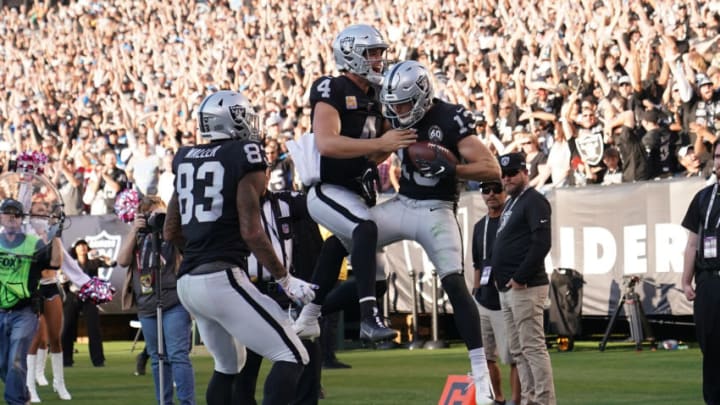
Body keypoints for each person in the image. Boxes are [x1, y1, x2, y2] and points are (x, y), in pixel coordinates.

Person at [163, 90, 316, 405]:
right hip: (221, 278)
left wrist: (199, 251)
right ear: (233, 120)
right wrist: (285, 278)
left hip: (188, 283)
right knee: (293, 355)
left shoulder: (185, 158)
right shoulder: (244, 154)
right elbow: (251, 232)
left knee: (229, 365)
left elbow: (170, 231)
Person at [370, 60, 501, 405]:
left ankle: (481, 374)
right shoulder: (395, 121)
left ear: (422, 97)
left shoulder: (449, 118)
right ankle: (313, 311)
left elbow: (492, 168)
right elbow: (374, 153)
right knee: (352, 235)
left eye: (403, 104)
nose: (397, 112)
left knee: (455, 282)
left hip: (436, 210)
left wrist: (455, 169)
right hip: (402, 202)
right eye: (393, 105)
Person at [292, 24, 417, 343]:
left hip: (359, 188)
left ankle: (307, 315)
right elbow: (328, 144)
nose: (378, 59)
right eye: (372, 53)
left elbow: (384, 146)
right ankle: (368, 317)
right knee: (363, 228)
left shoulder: (378, 94)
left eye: (379, 52)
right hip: (326, 188)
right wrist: (380, 145)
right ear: (351, 55)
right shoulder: (331, 88)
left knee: (341, 243)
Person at [234, 185, 325, 404]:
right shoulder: (231, 206)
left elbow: (320, 207)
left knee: (305, 357)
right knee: (243, 367)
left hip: (287, 293)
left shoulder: (286, 202)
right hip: (250, 292)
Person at [491, 152, 556, 405]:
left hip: (526, 286)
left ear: (525, 173)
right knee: (518, 351)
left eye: (512, 173)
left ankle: (544, 401)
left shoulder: (534, 200)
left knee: (532, 347)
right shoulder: (511, 202)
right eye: (503, 175)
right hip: (508, 288)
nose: (507, 179)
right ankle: (530, 399)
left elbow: (542, 242)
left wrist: (520, 276)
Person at [118, 195, 196, 405]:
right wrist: (135, 230)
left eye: (159, 213)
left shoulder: (173, 235)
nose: (155, 218)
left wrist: (170, 224)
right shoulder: (139, 236)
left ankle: (187, 402)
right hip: (147, 304)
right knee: (156, 358)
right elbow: (123, 260)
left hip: (173, 300)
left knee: (178, 354)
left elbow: (189, 250)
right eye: (149, 213)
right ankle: (164, 402)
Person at [0, 198, 61, 405]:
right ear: (0, 216)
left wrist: (56, 237)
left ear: (21, 218)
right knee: (3, 364)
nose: (11, 217)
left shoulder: (33, 243)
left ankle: (15, 401)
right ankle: (23, 395)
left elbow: (54, 263)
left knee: (16, 359)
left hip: (24, 311)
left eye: (16, 214)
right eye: (7, 213)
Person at [472, 181, 521, 405]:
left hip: (505, 299)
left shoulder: (511, 221)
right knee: (484, 357)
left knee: (513, 357)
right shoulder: (479, 226)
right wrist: (475, 291)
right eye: (485, 190)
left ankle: (517, 400)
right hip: (483, 300)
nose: (491, 195)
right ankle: (497, 399)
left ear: (504, 192)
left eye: (496, 190)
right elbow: (477, 264)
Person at [681, 140, 720, 405]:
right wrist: (685, 279)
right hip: (708, 281)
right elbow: (693, 242)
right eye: (718, 156)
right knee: (710, 347)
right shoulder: (704, 197)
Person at [25, 202, 71, 402]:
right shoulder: (25, 235)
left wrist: (56, 235)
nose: (42, 215)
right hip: (33, 288)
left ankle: (59, 383)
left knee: (55, 338)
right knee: (35, 340)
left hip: (51, 286)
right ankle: (29, 385)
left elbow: (58, 263)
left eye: (44, 211)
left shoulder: (52, 235)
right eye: (38, 211)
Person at [61, 239, 107, 367]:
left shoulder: (93, 262)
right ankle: (66, 359)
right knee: (68, 327)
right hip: (73, 294)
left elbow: (111, 263)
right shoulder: (71, 263)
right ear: (75, 249)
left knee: (94, 328)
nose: (82, 248)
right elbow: (63, 279)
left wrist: (102, 257)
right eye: (79, 245)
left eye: (84, 245)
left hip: (89, 296)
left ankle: (98, 360)